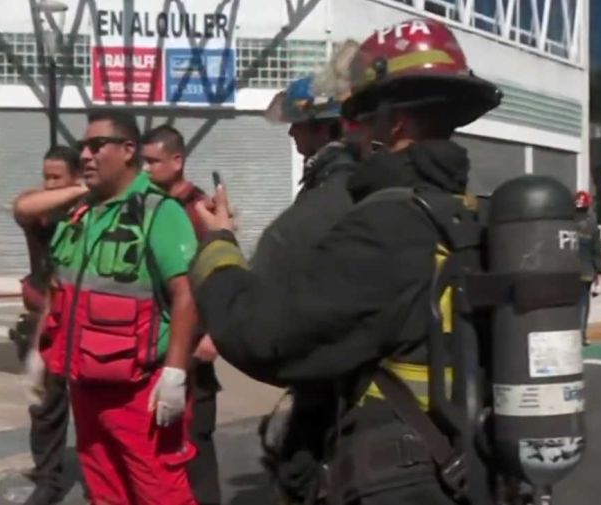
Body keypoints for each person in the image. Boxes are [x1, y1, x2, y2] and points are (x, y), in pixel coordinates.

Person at [190, 18, 502, 504]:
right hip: (470, 466)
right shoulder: (468, 213)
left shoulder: (389, 223)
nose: (354, 134)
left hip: (401, 482)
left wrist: (218, 246)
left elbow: (264, 336)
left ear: (393, 125)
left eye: (362, 119)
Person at [31, 109, 200, 504]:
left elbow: (187, 292)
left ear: (128, 151)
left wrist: (175, 372)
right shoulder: (83, 213)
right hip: (85, 385)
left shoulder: (158, 212)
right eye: (82, 147)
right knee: (105, 493)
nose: (85, 156)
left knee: (161, 493)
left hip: (139, 393)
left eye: (95, 146)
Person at [251, 42, 362, 505]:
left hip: (330, 372)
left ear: (323, 128)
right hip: (341, 369)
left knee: (304, 472)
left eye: (300, 125)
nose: (293, 135)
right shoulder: (353, 178)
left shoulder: (334, 187)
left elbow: (279, 267)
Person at [141, 124, 223, 505]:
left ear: (177, 161)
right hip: (159, 342)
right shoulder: (149, 206)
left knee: (197, 438)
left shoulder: (198, 209)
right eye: (142, 161)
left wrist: (213, 334)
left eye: (153, 161)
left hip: (194, 344)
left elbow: (220, 271)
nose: (145, 169)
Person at [11, 145, 85, 505]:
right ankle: (48, 479)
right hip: (45, 320)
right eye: (46, 176)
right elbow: (22, 206)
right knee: (45, 407)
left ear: (75, 175)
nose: (49, 183)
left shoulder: (91, 214)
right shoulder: (41, 211)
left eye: (57, 176)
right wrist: (73, 190)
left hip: (85, 321)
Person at [575, 190, 601, 346]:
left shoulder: (567, 222)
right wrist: (598, 270)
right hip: (586, 270)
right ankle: (581, 335)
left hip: (568, 270)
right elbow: (596, 249)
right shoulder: (591, 224)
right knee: (583, 303)